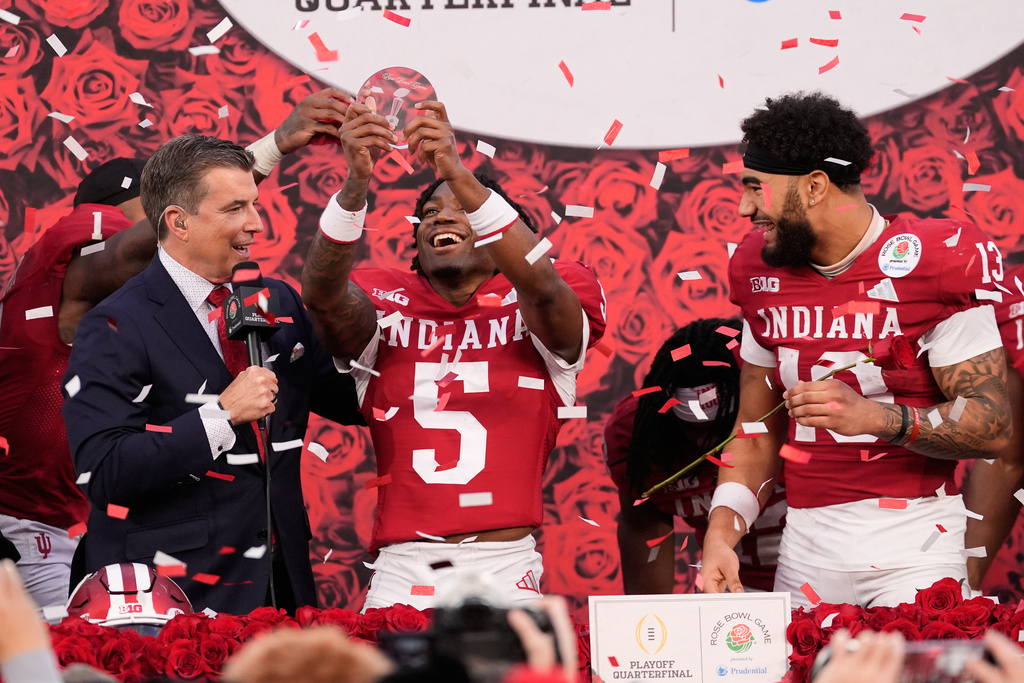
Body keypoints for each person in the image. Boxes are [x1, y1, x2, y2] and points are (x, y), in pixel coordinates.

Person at [0, 88, 356, 612]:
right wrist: (222, 415)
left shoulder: (272, 300)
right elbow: (106, 472)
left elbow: (356, 401)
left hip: (279, 590)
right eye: (235, 208)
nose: (256, 224)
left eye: (252, 207)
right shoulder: (98, 307)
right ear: (173, 221)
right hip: (154, 591)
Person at [699, 91, 1012, 608]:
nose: (744, 207)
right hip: (804, 548)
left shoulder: (935, 259)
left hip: (915, 543)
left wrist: (878, 417)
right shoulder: (759, 268)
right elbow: (754, 435)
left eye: (757, 188)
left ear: (816, 186)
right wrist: (720, 532)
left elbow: (993, 425)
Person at [301, 100, 606, 611]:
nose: (439, 215)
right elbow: (323, 296)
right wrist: (355, 183)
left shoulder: (545, 292)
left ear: (497, 228)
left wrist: (456, 173)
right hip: (402, 568)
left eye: (461, 208)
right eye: (428, 213)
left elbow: (547, 290)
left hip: (505, 564)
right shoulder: (384, 303)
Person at [603, 318, 787, 594]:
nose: (707, 442)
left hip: (815, 571)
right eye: (692, 428)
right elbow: (645, 541)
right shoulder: (639, 438)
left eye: (721, 427)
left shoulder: (789, 409)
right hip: (732, 584)